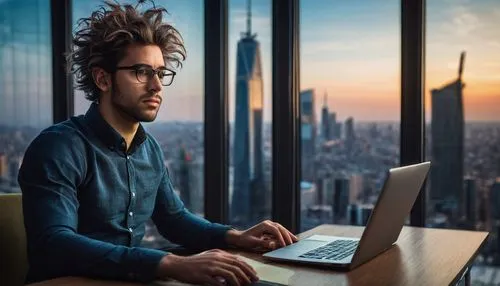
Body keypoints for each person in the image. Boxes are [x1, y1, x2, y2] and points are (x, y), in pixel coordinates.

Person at [18, 1, 297, 285]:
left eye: (160, 73)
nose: (157, 86)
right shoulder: (59, 147)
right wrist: (169, 263)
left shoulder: (148, 149)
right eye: (141, 72)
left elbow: (174, 219)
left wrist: (237, 236)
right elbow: (55, 244)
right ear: (103, 79)